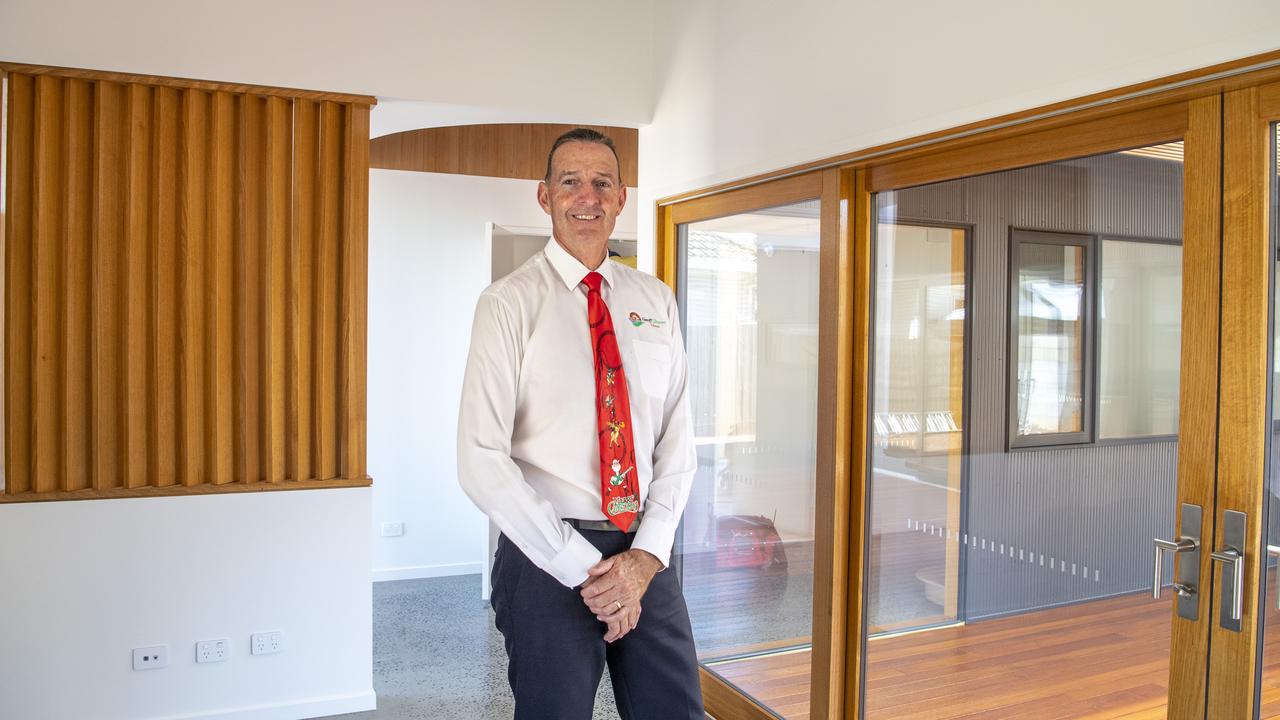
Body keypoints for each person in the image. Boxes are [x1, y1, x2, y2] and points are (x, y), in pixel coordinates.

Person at [457, 128, 703, 719]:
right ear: (545, 196)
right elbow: (479, 460)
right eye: (570, 182)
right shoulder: (507, 305)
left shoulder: (656, 300)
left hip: (644, 549)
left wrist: (646, 557)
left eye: (602, 183)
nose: (586, 197)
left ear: (621, 198)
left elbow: (678, 440)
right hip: (548, 555)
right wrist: (583, 568)